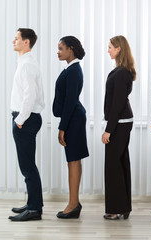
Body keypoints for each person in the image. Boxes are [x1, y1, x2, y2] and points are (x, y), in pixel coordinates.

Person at [9, 28, 45, 221]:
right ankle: (33, 204)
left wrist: (19, 120)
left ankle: (34, 210)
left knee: (28, 166)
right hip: (25, 118)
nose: (13, 41)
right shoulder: (24, 63)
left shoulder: (27, 65)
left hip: (26, 119)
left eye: (17, 38)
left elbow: (29, 96)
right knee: (27, 165)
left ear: (27, 42)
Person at [53, 36, 89, 219]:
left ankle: (73, 204)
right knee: (72, 160)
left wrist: (62, 127)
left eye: (61, 48)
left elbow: (70, 101)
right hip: (73, 118)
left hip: (73, 119)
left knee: (73, 160)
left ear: (71, 49)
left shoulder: (74, 70)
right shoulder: (70, 68)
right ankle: (74, 202)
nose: (58, 51)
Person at [101, 35, 136, 220]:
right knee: (120, 164)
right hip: (122, 122)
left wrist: (109, 129)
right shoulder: (120, 71)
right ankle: (123, 207)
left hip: (120, 124)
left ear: (119, 49)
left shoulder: (122, 73)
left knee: (114, 166)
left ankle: (116, 209)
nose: (108, 50)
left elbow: (117, 104)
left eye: (110, 47)